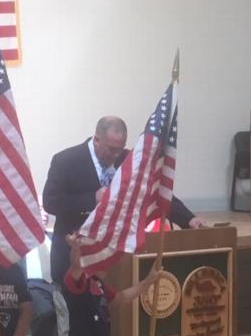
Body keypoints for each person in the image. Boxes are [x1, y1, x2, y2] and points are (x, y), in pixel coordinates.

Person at [42, 116, 206, 285]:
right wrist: (92, 199)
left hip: (115, 260)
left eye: (120, 149)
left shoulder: (129, 161)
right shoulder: (66, 160)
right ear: (97, 139)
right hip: (73, 255)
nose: (116, 155)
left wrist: (189, 219)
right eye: (111, 149)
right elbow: (50, 201)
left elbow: (157, 193)